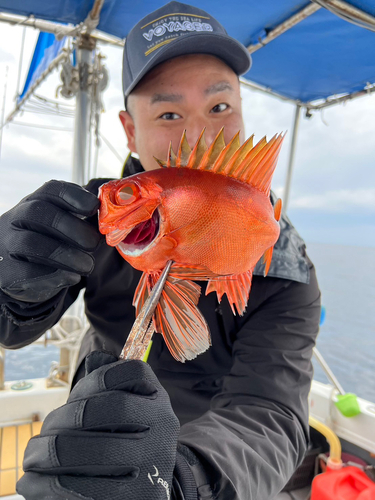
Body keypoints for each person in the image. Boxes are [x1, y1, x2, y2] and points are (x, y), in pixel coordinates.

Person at [0, 2, 321, 499]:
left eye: (219, 107)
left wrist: (182, 482)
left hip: (212, 470)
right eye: (169, 113)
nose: (199, 134)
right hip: (92, 430)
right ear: (130, 129)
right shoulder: (101, 213)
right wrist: (12, 284)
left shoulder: (285, 264)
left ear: (240, 108)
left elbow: (271, 414)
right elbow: (10, 326)